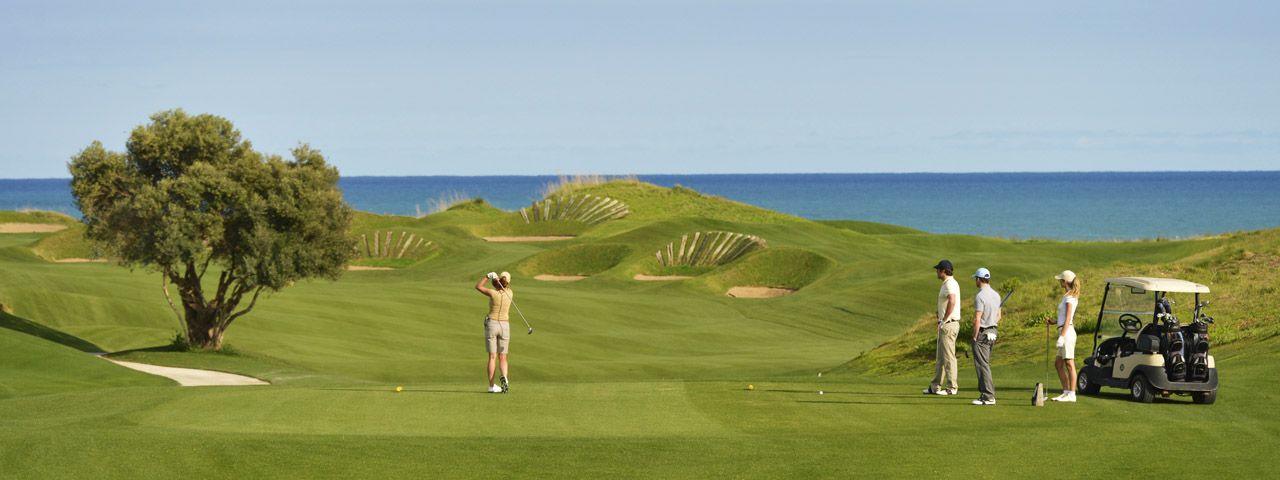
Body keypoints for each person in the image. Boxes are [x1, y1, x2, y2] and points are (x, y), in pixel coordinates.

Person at [924, 259, 961, 396]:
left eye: (938, 270)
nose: (936, 272)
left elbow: (952, 300)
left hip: (948, 324)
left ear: (944, 271)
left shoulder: (950, 284)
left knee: (949, 357)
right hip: (945, 324)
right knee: (940, 357)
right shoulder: (948, 283)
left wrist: (944, 319)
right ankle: (935, 386)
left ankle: (952, 387)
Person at [475, 271, 514, 394]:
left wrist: (488, 276)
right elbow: (501, 285)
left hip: (492, 324)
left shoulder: (493, 293)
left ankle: (492, 386)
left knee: (492, 357)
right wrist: (498, 281)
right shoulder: (510, 293)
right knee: (503, 356)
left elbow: (478, 286)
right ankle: (505, 378)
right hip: (504, 326)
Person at [970, 267, 1001, 406]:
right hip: (993, 331)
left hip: (983, 332)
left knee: (982, 364)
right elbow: (999, 316)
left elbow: (978, 319)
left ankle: (988, 396)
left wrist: (974, 336)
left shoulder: (980, 296)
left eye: (975, 279)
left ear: (978, 279)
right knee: (985, 363)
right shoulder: (996, 295)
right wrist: (991, 322)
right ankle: (986, 394)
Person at [1048, 270, 1080, 402]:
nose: (1059, 282)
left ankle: (1072, 394)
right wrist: (1054, 322)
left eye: (1060, 280)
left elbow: (1068, 318)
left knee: (1069, 363)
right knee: (1058, 364)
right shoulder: (1067, 295)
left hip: (1067, 333)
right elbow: (1063, 318)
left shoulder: (1070, 297)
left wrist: (1062, 336)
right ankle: (1066, 391)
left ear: (1065, 281)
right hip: (1064, 330)